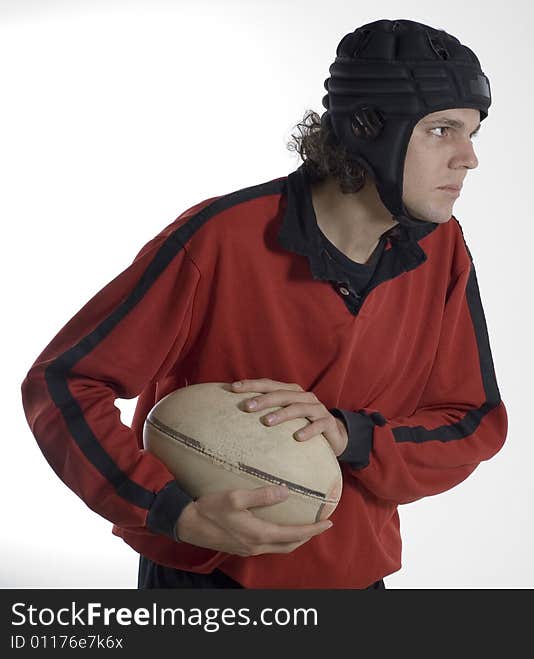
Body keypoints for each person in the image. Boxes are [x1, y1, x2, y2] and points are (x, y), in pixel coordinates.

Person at [20, 18, 507, 589]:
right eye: (442, 130)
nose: (467, 158)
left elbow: (472, 422)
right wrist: (168, 510)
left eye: (472, 133)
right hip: (207, 582)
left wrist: (355, 435)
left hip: (353, 573)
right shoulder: (218, 239)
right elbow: (64, 383)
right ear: (370, 128)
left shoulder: (442, 250)